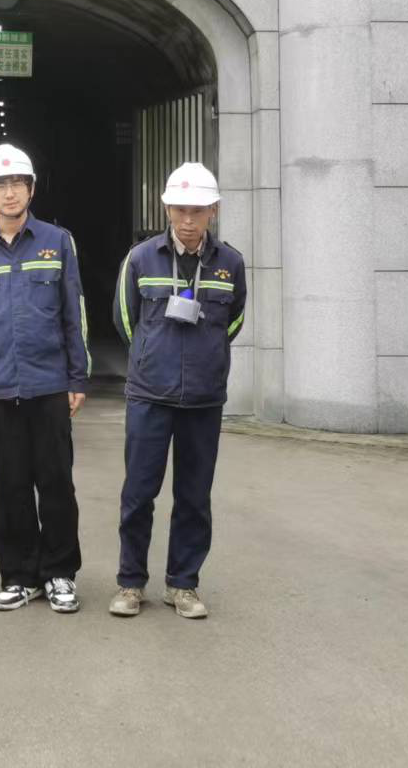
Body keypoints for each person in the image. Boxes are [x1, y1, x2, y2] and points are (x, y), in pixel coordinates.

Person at [109, 162, 247, 620]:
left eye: (198, 210)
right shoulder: (141, 258)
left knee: (194, 497)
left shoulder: (230, 263)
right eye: (180, 210)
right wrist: (152, 356)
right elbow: (125, 319)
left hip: (204, 399)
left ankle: (182, 584)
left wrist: (207, 357)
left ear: (213, 211)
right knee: (138, 494)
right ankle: (131, 583)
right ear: (166, 208)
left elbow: (234, 320)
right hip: (150, 395)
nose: (188, 220)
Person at [0, 143, 90, 613]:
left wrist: (77, 377)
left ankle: (59, 573)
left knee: (56, 485)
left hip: (49, 385)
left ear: (31, 189)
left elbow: (73, 313)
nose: (9, 193)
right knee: (8, 488)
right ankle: (18, 576)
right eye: (0, 185)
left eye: (17, 183)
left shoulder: (58, 241)